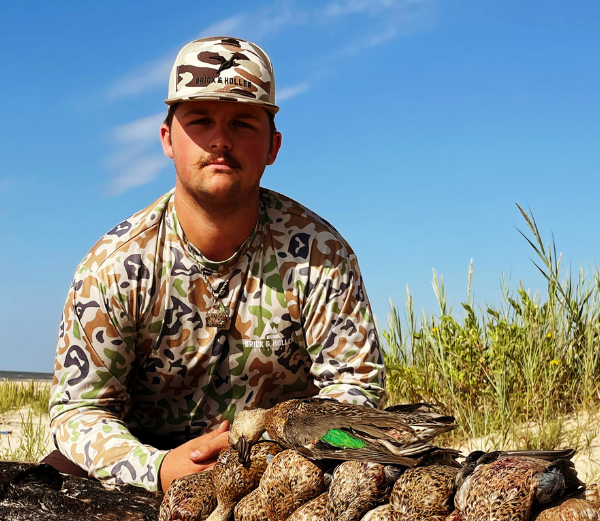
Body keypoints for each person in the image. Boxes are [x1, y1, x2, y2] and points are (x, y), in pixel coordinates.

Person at [46, 36, 386, 493]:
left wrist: (283, 460)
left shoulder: (321, 256)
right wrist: (159, 469)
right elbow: (77, 413)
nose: (221, 141)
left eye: (244, 123)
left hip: (284, 470)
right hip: (146, 466)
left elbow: (358, 399)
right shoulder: (114, 266)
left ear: (273, 146)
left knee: (375, 466)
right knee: (53, 475)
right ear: (168, 139)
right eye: (200, 121)